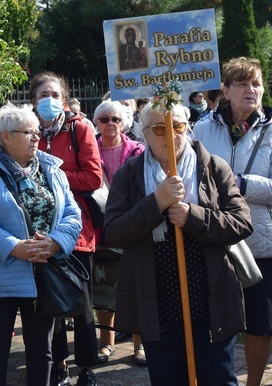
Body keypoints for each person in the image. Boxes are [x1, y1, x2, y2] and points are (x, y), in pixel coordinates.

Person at [103, 102, 253, 385]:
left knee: (218, 378)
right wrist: (155, 203)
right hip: (158, 303)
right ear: (144, 134)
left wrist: (193, 216)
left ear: (189, 129)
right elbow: (114, 232)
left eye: (178, 126)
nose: (169, 134)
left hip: (210, 298)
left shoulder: (212, 166)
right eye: (159, 128)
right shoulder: (130, 174)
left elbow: (242, 222)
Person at [0, 103, 82, 385]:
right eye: (28, 132)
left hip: (44, 271)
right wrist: (14, 247)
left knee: (43, 352)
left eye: (37, 131)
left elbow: (73, 215)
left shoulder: (52, 170)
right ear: (5, 136)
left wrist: (55, 243)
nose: (36, 137)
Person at [193, 57, 272, 386]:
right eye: (242, 83)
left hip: (261, 243)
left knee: (261, 324)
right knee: (216, 320)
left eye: (256, 83)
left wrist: (241, 183)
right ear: (225, 90)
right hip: (216, 240)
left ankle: (253, 383)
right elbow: (190, 176)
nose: (251, 89)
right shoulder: (203, 128)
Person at [31, 72, 102, 386]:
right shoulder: (27, 130)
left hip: (77, 231)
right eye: (42, 94)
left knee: (81, 305)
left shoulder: (80, 129)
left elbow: (93, 178)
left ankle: (87, 368)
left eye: (55, 94)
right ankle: (58, 365)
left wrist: (53, 176)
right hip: (40, 231)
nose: (49, 100)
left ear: (64, 99)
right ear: (33, 100)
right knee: (49, 303)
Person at [91, 100, 146, 366]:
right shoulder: (89, 150)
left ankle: (140, 344)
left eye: (115, 119)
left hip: (131, 225)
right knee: (103, 285)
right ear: (96, 123)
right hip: (99, 227)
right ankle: (106, 341)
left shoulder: (137, 150)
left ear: (124, 122)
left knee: (136, 285)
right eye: (104, 119)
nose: (110, 123)